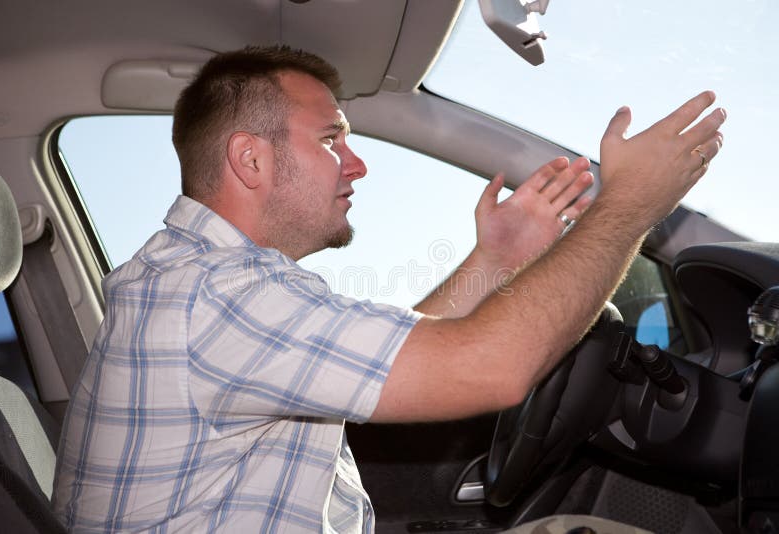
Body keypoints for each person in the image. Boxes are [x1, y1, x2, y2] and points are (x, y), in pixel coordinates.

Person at [52, 45, 724, 532]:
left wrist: (495, 259)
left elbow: (389, 353)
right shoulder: (216, 295)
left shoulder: (199, 282)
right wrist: (630, 204)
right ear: (250, 159)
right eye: (332, 140)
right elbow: (490, 369)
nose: (358, 163)